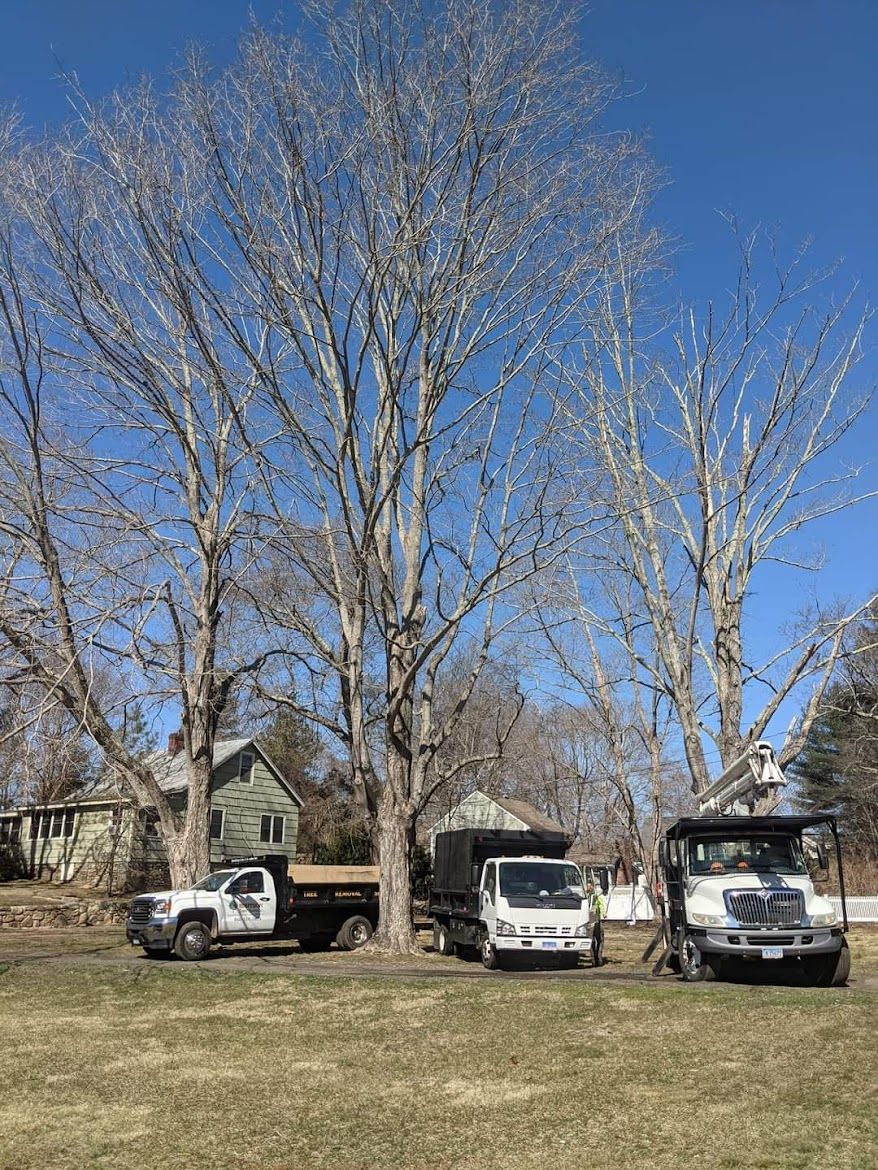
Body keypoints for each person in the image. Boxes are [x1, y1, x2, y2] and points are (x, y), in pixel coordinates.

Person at [585, 880, 606, 967]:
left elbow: (602, 905)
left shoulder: (597, 896)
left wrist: (603, 915)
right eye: (587, 886)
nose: (588, 888)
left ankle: (599, 958)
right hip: (588, 920)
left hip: (597, 919)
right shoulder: (585, 897)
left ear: (592, 887)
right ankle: (593, 959)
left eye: (589, 886)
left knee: (600, 939)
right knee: (591, 940)